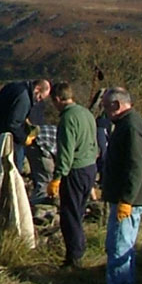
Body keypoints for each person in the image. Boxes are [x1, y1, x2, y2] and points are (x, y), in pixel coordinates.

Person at [99, 87, 142, 284]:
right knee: (121, 245)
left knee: (120, 246)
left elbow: (135, 166)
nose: (104, 111)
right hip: (127, 197)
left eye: (105, 106)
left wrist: (127, 200)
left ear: (116, 105)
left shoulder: (130, 127)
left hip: (129, 199)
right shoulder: (127, 124)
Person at [47, 82, 99, 267]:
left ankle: (74, 258)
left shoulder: (68, 119)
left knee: (70, 215)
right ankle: (80, 249)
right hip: (89, 168)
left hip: (75, 171)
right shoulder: (86, 113)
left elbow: (66, 152)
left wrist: (57, 177)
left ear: (58, 99)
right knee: (79, 212)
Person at [0, 80, 51, 168]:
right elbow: (13, 124)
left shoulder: (17, 86)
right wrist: (24, 138)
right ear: (37, 89)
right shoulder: (24, 98)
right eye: (40, 97)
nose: (38, 100)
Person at [27, 124, 58, 204]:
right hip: (41, 144)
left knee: (40, 179)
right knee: (45, 182)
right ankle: (37, 207)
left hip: (36, 138)